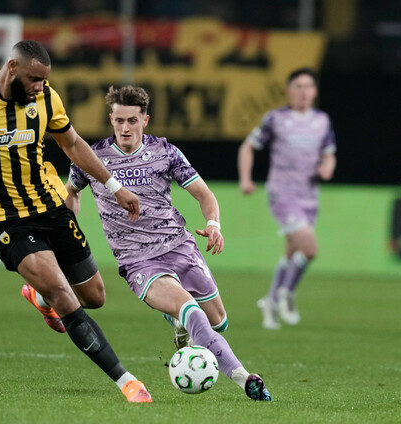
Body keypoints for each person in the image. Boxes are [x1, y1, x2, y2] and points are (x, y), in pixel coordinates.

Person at [0, 40, 152, 403]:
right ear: (12, 68)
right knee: (64, 295)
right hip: (6, 221)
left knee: (94, 297)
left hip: (50, 208)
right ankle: (127, 381)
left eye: (44, 80)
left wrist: (114, 187)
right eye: (34, 79)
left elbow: (72, 144)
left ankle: (39, 295)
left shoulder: (46, 99)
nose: (39, 86)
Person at [66, 85, 272, 402]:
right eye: (119, 120)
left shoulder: (165, 152)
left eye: (132, 121)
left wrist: (214, 224)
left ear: (145, 120)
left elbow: (204, 194)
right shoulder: (93, 157)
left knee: (218, 322)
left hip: (179, 247)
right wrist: (70, 218)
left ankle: (178, 321)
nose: (124, 128)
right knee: (192, 311)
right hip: (138, 261)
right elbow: (72, 190)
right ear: (111, 119)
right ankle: (245, 379)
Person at [237, 67, 337, 330]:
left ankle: (270, 301)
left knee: (292, 252)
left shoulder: (322, 121)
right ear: (289, 91)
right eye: (298, 86)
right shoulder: (276, 119)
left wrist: (327, 168)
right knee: (310, 249)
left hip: (309, 196)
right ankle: (287, 294)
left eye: (308, 87)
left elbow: (329, 153)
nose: (303, 92)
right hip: (283, 194)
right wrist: (246, 179)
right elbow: (248, 146)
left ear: (314, 92)